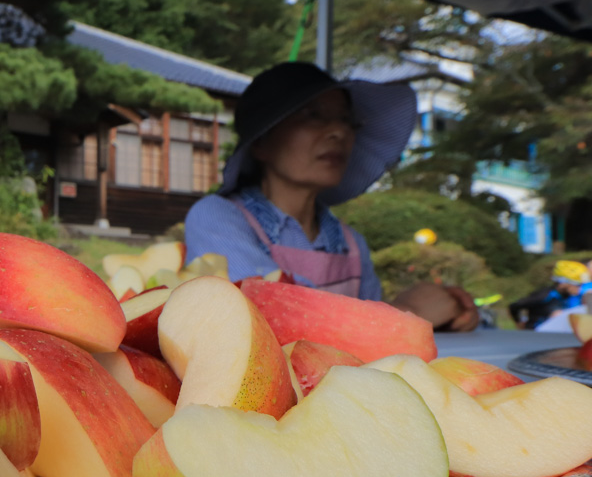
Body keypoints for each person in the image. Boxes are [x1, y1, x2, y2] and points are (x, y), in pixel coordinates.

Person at [184, 61, 478, 332]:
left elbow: (375, 344)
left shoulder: (351, 244)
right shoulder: (216, 217)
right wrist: (406, 312)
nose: (339, 131)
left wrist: (441, 318)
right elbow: (267, 313)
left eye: (346, 120)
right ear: (261, 143)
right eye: (312, 116)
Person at [509, 260, 592, 329]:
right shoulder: (544, 295)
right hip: (536, 336)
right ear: (563, 283)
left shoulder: (571, 296)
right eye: (577, 284)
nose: (580, 288)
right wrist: (519, 322)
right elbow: (515, 306)